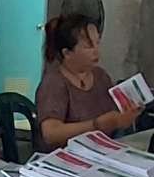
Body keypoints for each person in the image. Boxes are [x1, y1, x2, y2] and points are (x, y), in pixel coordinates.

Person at [35, 14, 141, 150]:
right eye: (88, 46)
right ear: (67, 53)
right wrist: (96, 125)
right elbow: (50, 133)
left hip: (100, 153)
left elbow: (113, 118)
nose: (96, 51)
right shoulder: (54, 83)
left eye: (98, 43)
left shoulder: (101, 76)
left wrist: (125, 117)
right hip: (65, 160)